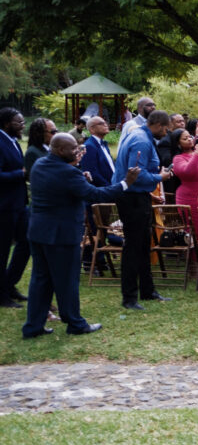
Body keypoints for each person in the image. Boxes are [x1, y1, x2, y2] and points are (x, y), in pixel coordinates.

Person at [21, 134, 140, 338]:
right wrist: (126, 183)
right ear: (59, 150)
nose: (78, 153)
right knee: (67, 280)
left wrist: (79, 177)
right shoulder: (68, 172)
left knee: (40, 279)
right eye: (74, 150)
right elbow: (96, 195)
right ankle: (75, 323)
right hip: (61, 234)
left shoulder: (40, 164)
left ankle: (33, 327)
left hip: (38, 231)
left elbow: (56, 186)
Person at [113, 110, 174, 311]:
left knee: (143, 245)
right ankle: (129, 297)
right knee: (133, 246)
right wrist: (160, 178)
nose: (166, 133)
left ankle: (147, 290)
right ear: (157, 124)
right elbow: (136, 175)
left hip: (140, 196)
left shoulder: (141, 135)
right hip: (131, 198)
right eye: (166, 129)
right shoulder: (141, 140)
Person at [0, 108, 30, 308]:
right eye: (19, 123)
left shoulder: (13, 141)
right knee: (2, 251)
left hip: (20, 205)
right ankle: (2, 296)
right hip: (4, 207)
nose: (22, 126)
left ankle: (9, 284)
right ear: (6, 123)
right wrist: (21, 173)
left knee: (27, 242)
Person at [169, 128, 198, 242]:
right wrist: (197, 152)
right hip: (191, 199)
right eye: (185, 139)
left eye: (190, 136)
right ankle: (197, 258)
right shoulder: (178, 159)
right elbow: (187, 172)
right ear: (178, 143)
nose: (189, 139)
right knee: (196, 231)